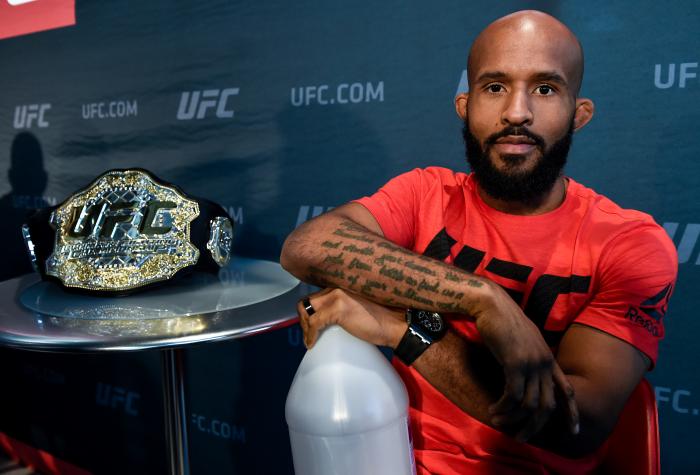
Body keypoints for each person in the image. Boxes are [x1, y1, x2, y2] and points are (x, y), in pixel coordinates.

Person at [280, 10, 677, 474]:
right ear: (464, 106)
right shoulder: (424, 193)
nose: (516, 112)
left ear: (579, 113)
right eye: (495, 87)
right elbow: (305, 246)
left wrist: (404, 329)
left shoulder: (628, 243)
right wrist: (484, 299)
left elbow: (576, 427)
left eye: (545, 89)